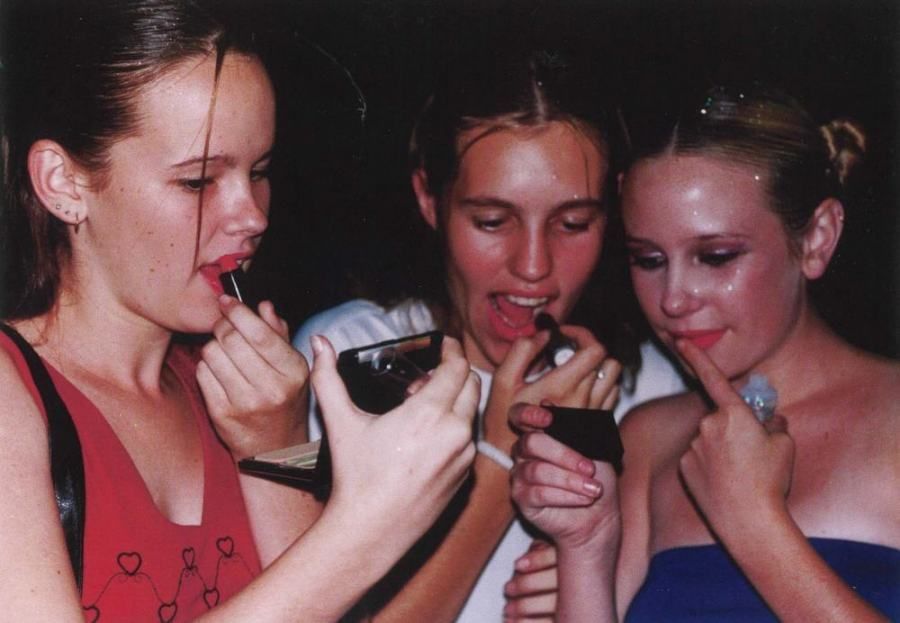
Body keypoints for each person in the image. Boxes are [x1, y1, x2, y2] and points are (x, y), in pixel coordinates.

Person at [0, 1, 479, 620]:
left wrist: (277, 442)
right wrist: (367, 526)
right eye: (198, 182)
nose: (252, 215)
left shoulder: (241, 393)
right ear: (64, 184)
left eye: (260, 172)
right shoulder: (14, 393)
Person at [293, 49, 685, 622]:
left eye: (574, 223)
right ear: (431, 198)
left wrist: (603, 572)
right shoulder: (350, 360)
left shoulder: (650, 391)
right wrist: (499, 456)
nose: (533, 266)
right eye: (492, 221)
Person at [507, 85, 900, 621]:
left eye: (715, 257)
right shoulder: (649, 439)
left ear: (817, 238)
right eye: (647, 260)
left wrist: (755, 526)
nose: (672, 298)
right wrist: (586, 547)